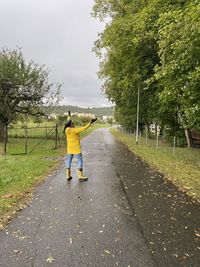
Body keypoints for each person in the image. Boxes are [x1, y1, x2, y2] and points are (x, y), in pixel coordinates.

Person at [64, 111, 97, 181]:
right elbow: (84, 128)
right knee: (79, 161)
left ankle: (68, 175)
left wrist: (69, 116)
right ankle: (80, 175)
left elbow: (68, 121)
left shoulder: (66, 130)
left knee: (68, 161)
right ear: (71, 125)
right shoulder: (74, 130)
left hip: (69, 148)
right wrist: (90, 123)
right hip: (76, 149)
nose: (73, 124)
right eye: (72, 123)